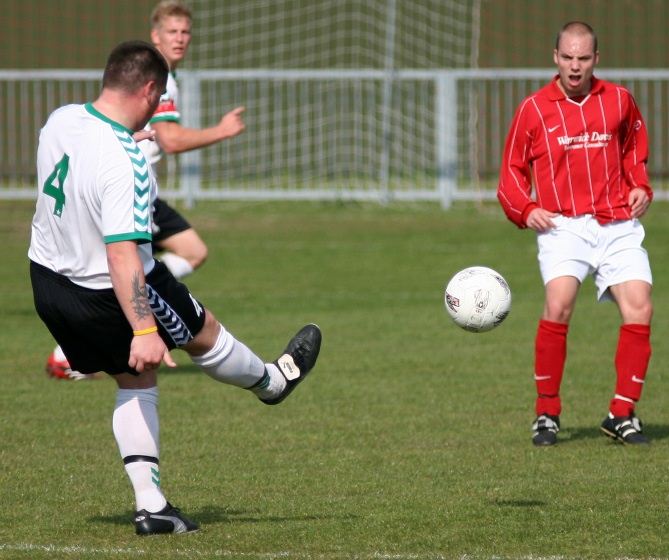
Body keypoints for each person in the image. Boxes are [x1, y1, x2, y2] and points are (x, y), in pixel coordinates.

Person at [29, 40, 322, 535]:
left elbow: (84, 161)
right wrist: (144, 328)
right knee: (203, 331)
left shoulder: (61, 119)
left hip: (48, 281)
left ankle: (153, 507)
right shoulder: (128, 161)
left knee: (134, 381)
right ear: (148, 91)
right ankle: (271, 383)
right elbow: (123, 254)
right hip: (108, 286)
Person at [45, 0, 246, 379]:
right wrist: (222, 131)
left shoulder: (156, 76)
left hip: (143, 193)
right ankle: (73, 354)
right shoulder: (160, 80)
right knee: (126, 271)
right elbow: (169, 139)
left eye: (185, 32)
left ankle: (92, 343)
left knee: (191, 251)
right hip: (128, 191)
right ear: (156, 36)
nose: (180, 39)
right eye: (172, 32)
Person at [497, 22, 653, 447]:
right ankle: (546, 412)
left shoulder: (619, 100)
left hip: (617, 222)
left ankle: (622, 414)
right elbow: (510, 172)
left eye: (583, 58)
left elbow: (633, 149)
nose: (575, 66)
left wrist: (640, 185)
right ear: (555, 57)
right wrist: (525, 209)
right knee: (559, 303)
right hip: (562, 224)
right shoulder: (533, 108)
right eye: (568, 57)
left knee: (640, 308)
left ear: (596, 60)